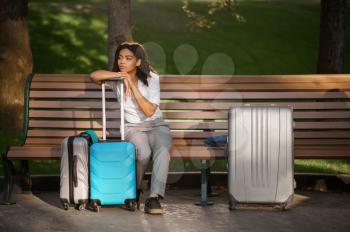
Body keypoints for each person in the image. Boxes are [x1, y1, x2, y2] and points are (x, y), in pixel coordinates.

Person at [90, 41, 172, 215]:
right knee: (143, 153)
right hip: (133, 128)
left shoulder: (152, 78)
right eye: (120, 58)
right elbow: (94, 76)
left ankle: (154, 197)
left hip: (156, 125)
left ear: (138, 62)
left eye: (128, 58)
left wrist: (132, 85)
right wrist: (120, 76)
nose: (122, 61)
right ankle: (133, 190)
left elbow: (149, 111)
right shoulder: (116, 80)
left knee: (162, 151)